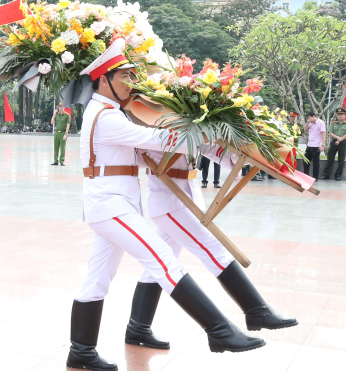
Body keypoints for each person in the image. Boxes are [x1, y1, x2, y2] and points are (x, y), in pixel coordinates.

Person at [69, 39, 262, 371]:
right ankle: (219, 330)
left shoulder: (111, 113)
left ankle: (81, 351)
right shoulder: (105, 116)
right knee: (162, 259)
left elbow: (150, 150)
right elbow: (157, 140)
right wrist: (204, 126)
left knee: (97, 279)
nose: (131, 82)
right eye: (125, 76)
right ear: (104, 80)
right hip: (110, 205)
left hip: (115, 202)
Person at [126, 143, 297, 350]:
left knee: (155, 269)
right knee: (214, 251)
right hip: (170, 200)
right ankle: (256, 311)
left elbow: (203, 146)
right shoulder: (152, 118)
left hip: (184, 197)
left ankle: (138, 328)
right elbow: (158, 144)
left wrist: (241, 155)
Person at [323, 108, 346, 181]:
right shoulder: (333, 123)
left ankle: (338, 175)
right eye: (339, 115)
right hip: (334, 142)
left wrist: (341, 139)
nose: (340, 116)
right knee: (330, 158)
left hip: (343, 143)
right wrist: (338, 138)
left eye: (342, 115)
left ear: (344, 116)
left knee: (341, 160)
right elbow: (330, 132)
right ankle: (326, 175)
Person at [303, 112, 325, 179]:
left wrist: (323, 145)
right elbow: (305, 129)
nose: (309, 119)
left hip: (316, 145)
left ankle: (315, 177)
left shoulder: (321, 122)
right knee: (305, 160)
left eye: (309, 118)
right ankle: (306, 175)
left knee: (315, 162)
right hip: (309, 144)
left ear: (314, 116)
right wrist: (307, 123)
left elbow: (324, 133)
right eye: (307, 118)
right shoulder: (310, 123)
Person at [50, 102, 70, 166]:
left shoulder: (67, 115)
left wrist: (66, 134)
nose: (60, 108)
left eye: (61, 106)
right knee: (56, 147)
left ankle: (62, 161)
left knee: (62, 148)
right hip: (56, 133)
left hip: (63, 132)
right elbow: (52, 122)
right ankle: (55, 161)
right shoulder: (57, 115)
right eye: (59, 106)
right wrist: (54, 114)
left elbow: (68, 125)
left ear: (64, 107)